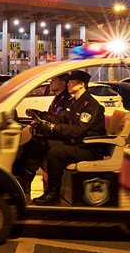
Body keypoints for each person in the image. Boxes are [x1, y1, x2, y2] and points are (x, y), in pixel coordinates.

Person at [28, 69, 108, 205]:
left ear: (81, 84)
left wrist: (52, 127)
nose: (68, 84)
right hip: (77, 143)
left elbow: (77, 130)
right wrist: (40, 114)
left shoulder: (90, 105)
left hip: (90, 147)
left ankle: (53, 193)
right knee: (40, 143)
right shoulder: (74, 102)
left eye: (71, 82)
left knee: (56, 153)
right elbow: (60, 118)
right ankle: (24, 181)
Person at [14, 74, 72, 192]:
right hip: (56, 132)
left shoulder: (66, 100)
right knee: (29, 142)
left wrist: (41, 115)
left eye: (54, 80)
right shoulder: (57, 98)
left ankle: (26, 178)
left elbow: (57, 119)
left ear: (62, 83)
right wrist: (37, 115)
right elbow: (51, 116)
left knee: (38, 144)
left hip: (62, 136)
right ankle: (17, 173)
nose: (51, 82)